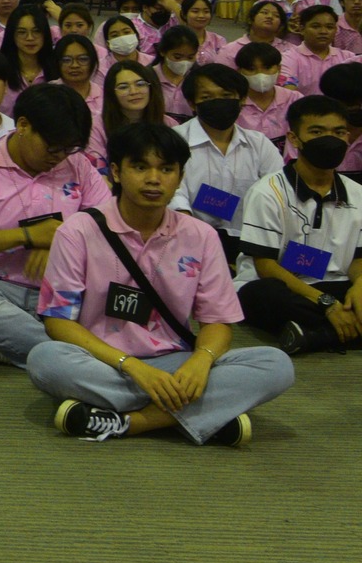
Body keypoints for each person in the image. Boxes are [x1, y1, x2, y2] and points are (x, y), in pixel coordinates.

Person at [30, 123, 293, 446]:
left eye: (166, 169)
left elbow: (218, 322)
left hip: (174, 360)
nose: (154, 179)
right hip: (102, 361)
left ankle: (131, 422)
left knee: (276, 365)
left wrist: (201, 360)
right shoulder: (78, 231)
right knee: (45, 359)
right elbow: (58, 322)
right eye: (140, 167)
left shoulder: (201, 236)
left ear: (180, 177)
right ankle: (203, 415)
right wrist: (133, 367)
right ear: (116, 172)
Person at [0, 83, 111, 367]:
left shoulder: (79, 166)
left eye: (69, 148)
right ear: (23, 126)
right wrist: (28, 236)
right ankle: (83, 358)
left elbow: (106, 228)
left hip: (64, 290)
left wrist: (58, 243)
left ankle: (10, 350)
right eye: (53, 147)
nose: (59, 156)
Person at [235, 95, 362, 354]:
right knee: (260, 295)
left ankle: (317, 336)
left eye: (339, 132)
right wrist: (327, 304)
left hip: (336, 282)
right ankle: (340, 331)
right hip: (284, 286)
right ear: (294, 138)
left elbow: (358, 259)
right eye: (317, 132)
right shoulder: (267, 192)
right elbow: (266, 266)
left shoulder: (358, 194)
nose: (330, 139)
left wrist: (360, 287)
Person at [172, 64, 283, 256]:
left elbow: (277, 191)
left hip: (249, 243)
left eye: (226, 96)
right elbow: (173, 190)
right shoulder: (174, 140)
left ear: (242, 99)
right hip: (188, 238)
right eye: (207, 97)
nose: (218, 103)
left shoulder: (259, 144)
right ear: (192, 103)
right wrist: (188, 229)